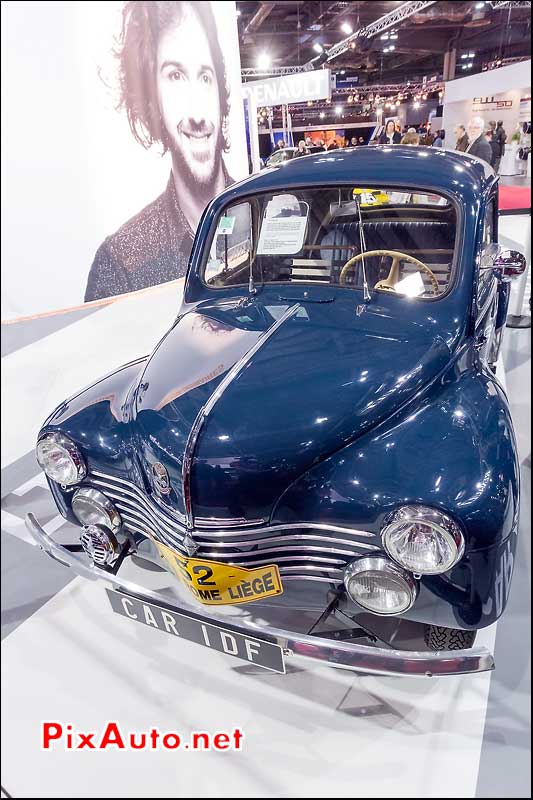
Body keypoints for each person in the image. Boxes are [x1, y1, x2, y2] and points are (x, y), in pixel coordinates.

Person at [85, 1, 237, 302]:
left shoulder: (270, 217)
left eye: (205, 77)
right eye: (175, 76)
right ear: (153, 102)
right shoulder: (121, 265)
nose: (197, 113)